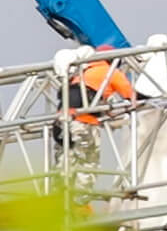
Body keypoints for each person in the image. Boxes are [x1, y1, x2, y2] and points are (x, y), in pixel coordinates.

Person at [53, 49, 135, 200]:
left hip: (60, 124)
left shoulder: (81, 74)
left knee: (65, 161)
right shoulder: (110, 72)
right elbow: (132, 96)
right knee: (88, 163)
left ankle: (59, 199)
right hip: (83, 124)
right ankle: (80, 202)